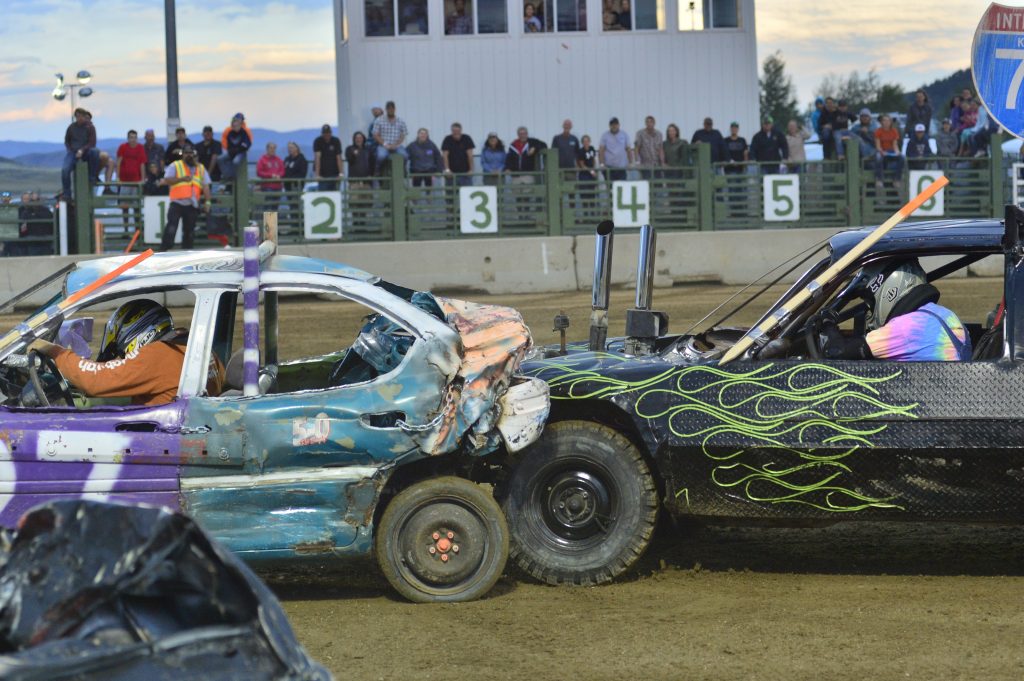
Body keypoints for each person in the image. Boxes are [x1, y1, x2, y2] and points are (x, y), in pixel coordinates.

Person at [28, 300, 225, 406]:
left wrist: (54, 351)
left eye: (120, 351)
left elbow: (95, 381)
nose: (121, 357)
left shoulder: (159, 355)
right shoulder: (197, 350)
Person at [819, 259, 970, 362]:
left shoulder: (905, 328)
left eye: (871, 302)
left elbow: (836, 352)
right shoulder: (944, 315)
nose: (870, 310)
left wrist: (827, 323)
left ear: (889, 291)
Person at [159, 145, 211, 250]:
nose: (189, 155)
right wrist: (181, 179)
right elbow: (167, 180)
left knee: (189, 232)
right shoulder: (175, 165)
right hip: (177, 203)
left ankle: (187, 253)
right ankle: (163, 251)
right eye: (186, 153)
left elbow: (205, 186)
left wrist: (208, 202)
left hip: (192, 205)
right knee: (171, 228)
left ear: (194, 154)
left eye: (190, 153)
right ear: (182, 154)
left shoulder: (200, 168)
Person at [61, 108, 98, 199]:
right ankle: (67, 193)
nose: (80, 118)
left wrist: (82, 150)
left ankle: (92, 177)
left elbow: (92, 143)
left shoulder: (90, 127)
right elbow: (67, 141)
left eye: (82, 116)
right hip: (73, 152)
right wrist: (70, 150)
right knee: (65, 170)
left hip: (86, 151)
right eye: (78, 116)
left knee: (94, 152)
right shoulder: (71, 127)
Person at [116, 130, 148, 230]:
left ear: (137, 138)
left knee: (136, 206)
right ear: (128, 138)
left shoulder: (140, 148)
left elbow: (142, 164)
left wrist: (142, 179)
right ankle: (126, 229)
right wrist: (118, 178)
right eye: (131, 137)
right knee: (125, 207)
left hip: (136, 182)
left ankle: (137, 230)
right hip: (125, 182)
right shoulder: (123, 147)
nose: (132, 139)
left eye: (134, 137)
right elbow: (119, 162)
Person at [372, 101, 409, 175]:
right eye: (389, 109)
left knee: (405, 155)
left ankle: (403, 169)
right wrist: (385, 144)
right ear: (386, 109)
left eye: (392, 109)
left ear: (395, 109)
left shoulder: (400, 120)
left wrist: (396, 144)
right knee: (381, 156)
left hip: (396, 145)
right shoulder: (379, 120)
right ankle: (377, 171)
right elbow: (375, 135)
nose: (391, 110)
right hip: (383, 145)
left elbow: (403, 134)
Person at [219, 113, 253, 181]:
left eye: (240, 120)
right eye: (236, 120)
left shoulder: (245, 131)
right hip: (230, 151)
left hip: (240, 152)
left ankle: (232, 177)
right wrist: (227, 151)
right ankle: (227, 176)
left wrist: (238, 150)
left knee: (235, 161)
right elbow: (224, 141)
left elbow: (247, 144)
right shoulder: (228, 130)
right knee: (221, 159)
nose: (238, 121)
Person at [441, 122, 476, 187]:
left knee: (466, 194)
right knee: (450, 195)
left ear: (461, 130)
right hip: (451, 174)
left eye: (458, 131)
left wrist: (471, 169)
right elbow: (445, 156)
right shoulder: (447, 139)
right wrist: (447, 170)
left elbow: (470, 155)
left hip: (465, 173)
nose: (456, 132)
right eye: (454, 131)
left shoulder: (467, 138)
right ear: (451, 131)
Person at [874, 114, 903, 187]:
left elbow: (895, 144)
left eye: (888, 120)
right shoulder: (878, 131)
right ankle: (879, 179)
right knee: (878, 157)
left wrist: (897, 151)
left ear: (890, 122)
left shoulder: (894, 131)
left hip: (891, 151)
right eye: (884, 120)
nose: (886, 122)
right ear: (881, 122)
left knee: (902, 157)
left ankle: (897, 179)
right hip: (882, 150)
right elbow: (878, 146)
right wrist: (882, 151)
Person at [599, 117, 632, 181]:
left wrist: (630, 163)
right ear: (609, 126)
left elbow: (628, 149)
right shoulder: (605, 135)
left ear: (619, 125)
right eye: (612, 124)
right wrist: (602, 164)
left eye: (615, 124)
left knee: (622, 187)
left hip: (621, 168)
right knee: (610, 188)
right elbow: (601, 150)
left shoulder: (624, 134)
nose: (614, 126)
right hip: (609, 167)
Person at [314, 124, 344, 191]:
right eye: (325, 133)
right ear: (322, 133)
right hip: (322, 175)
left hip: (335, 174)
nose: (326, 135)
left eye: (328, 132)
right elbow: (317, 158)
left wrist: (341, 173)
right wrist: (317, 174)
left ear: (331, 133)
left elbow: (339, 157)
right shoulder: (318, 141)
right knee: (323, 195)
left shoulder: (336, 141)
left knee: (335, 195)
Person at [256, 142, 285, 211]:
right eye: (271, 148)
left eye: (274, 148)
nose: (272, 150)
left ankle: (273, 222)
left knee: (275, 207)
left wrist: (279, 175)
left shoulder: (278, 159)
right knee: (268, 206)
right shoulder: (262, 159)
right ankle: (269, 222)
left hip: (278, 187)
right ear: (267, 149)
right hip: (267, 186)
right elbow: (259, 172)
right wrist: (271, 176)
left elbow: (282, 170)